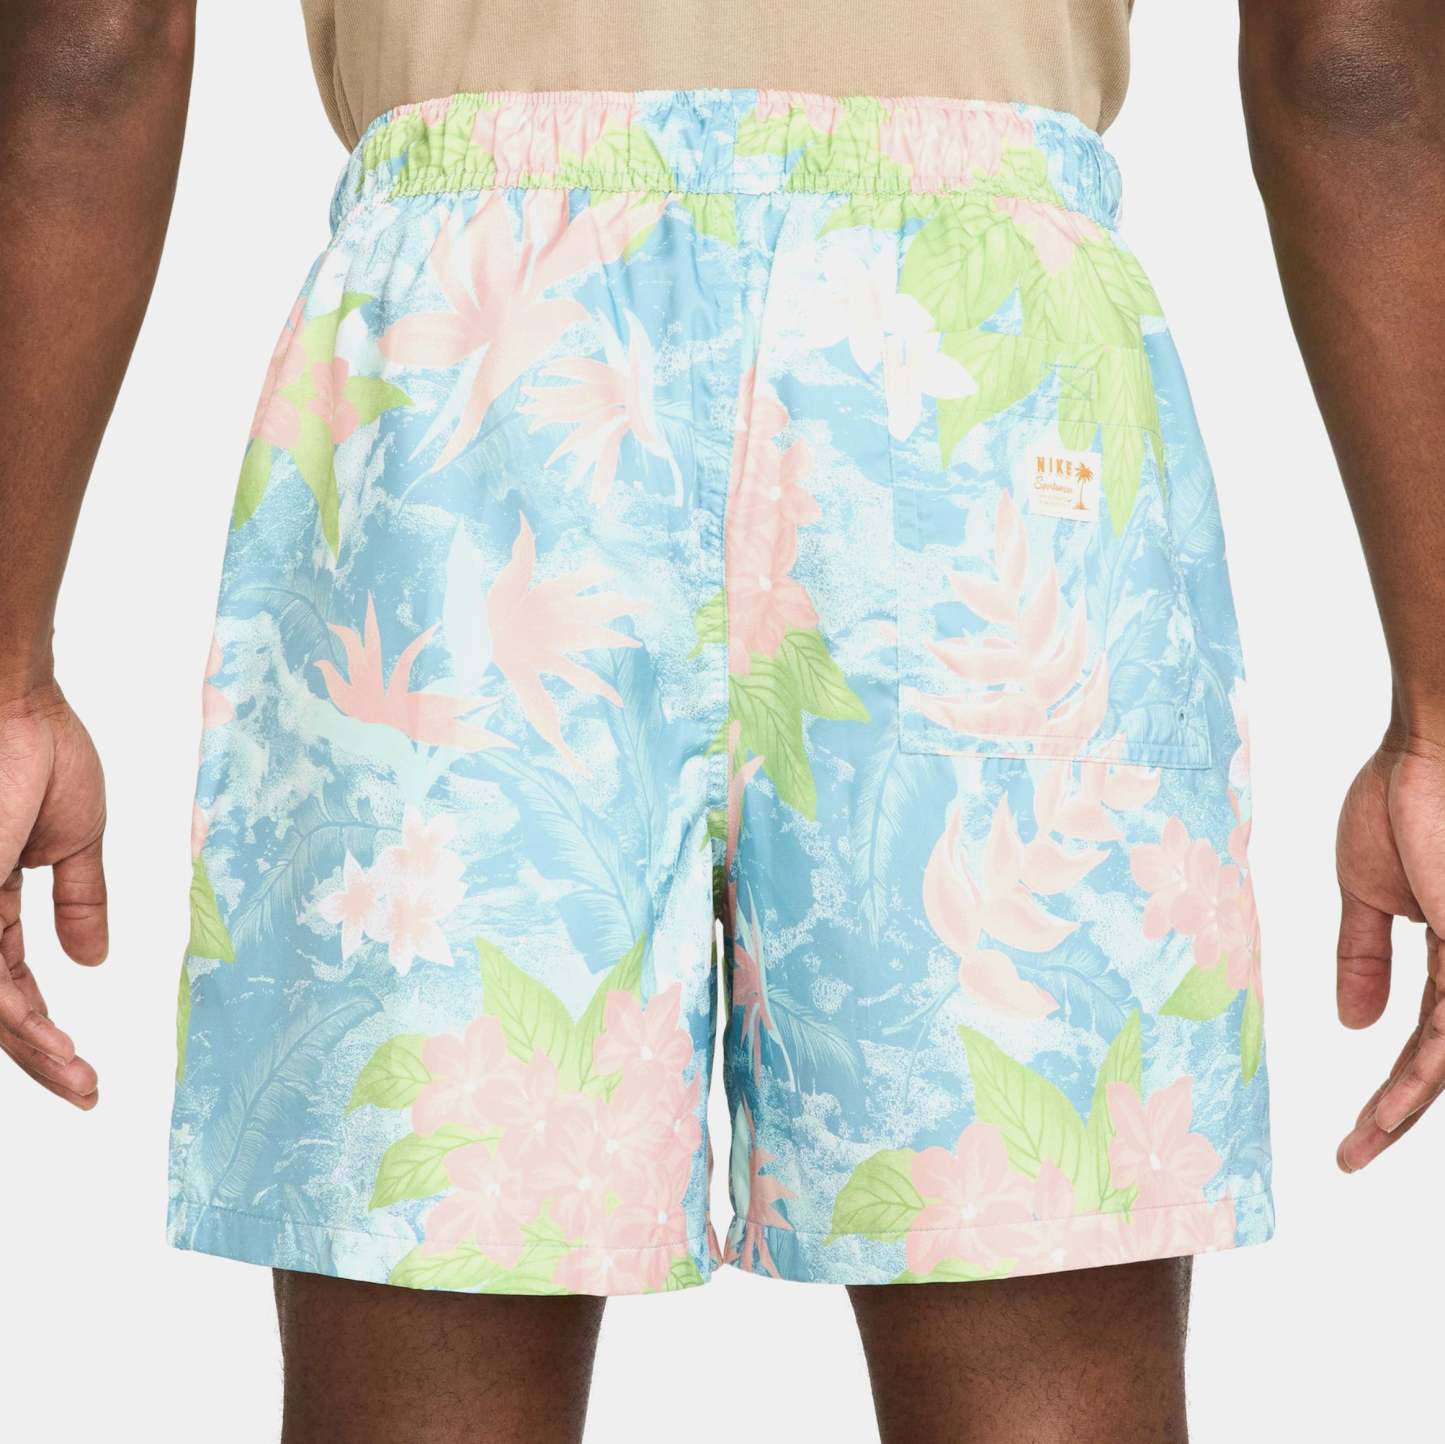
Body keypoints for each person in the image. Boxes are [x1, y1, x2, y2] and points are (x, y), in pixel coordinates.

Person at [0, 2, 1438, 1440]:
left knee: (426, 1279)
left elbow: (95, 41)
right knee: (1038, 1343)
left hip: (479, 347)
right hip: (974, 368)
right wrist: (1436, 715)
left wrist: (7, 675)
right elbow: (1349, 54)